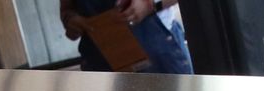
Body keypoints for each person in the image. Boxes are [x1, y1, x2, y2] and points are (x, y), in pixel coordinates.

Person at [61, 0, 195, 74]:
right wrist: (70, 20)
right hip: (101, 63)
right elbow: (67, 8)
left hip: (159, 55)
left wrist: (150, 4)